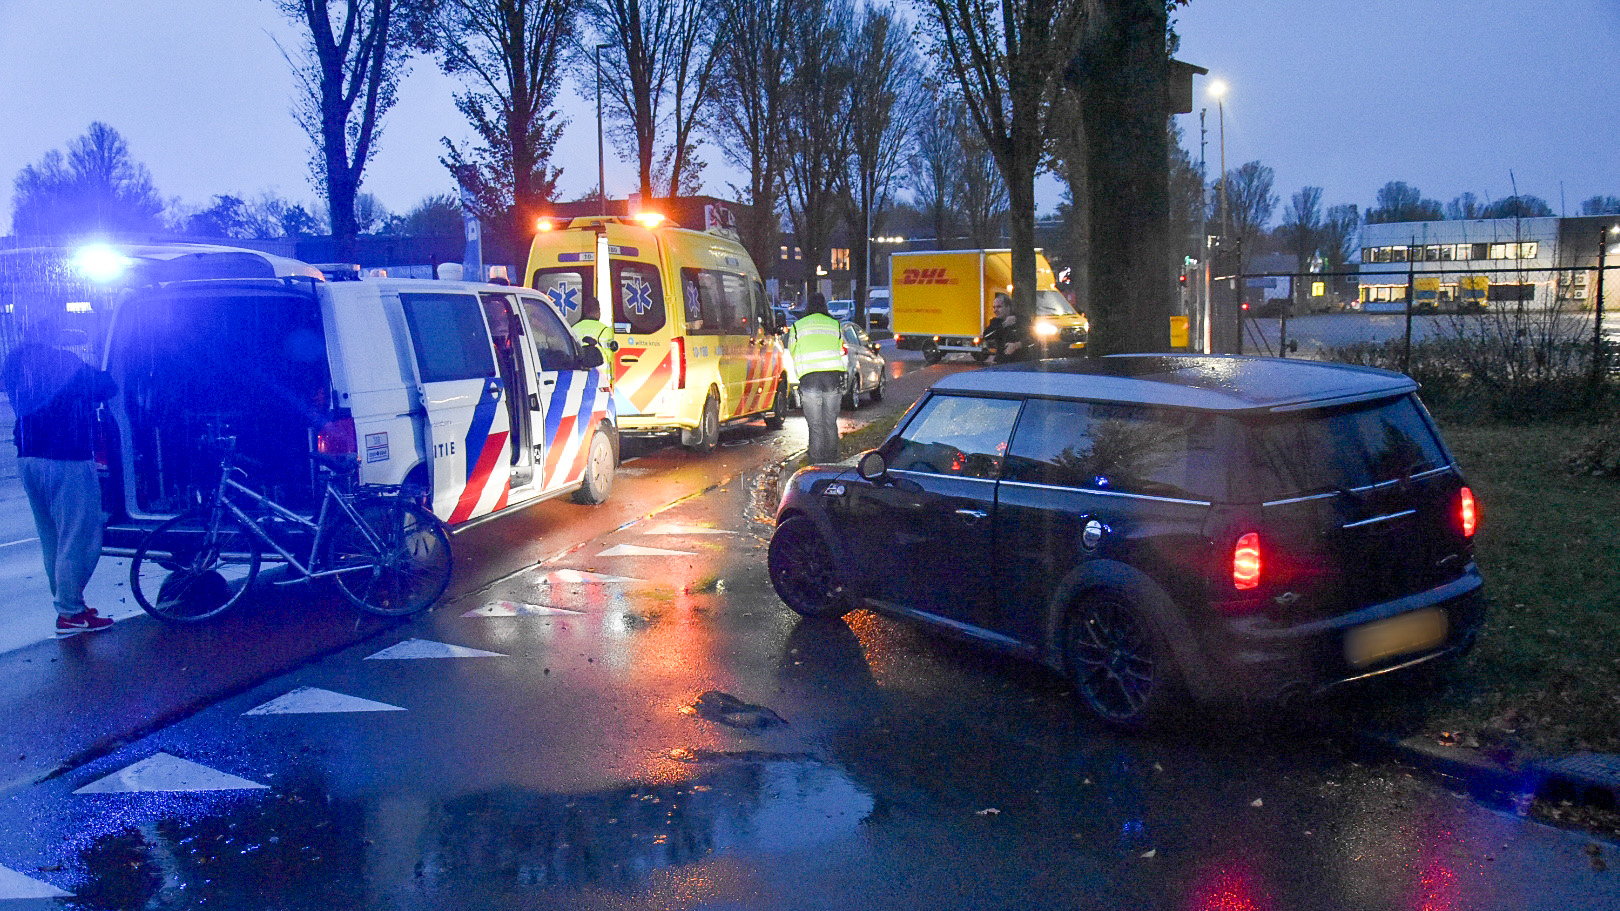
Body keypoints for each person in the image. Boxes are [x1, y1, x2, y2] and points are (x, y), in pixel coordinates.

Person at [2, 309, 118, 635]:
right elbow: (106, 386)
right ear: (52, 334)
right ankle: (69, 612)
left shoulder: (13, 360)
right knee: (81, 533)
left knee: (50, 537)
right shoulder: (63, 361)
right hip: (66, 457)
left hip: (27, 456)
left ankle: (72, 607)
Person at [786, 293, 848, 464]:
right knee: (830, 422)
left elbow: (792, 350)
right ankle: (833, 462)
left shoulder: (798, 327)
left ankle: (816, 464)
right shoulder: (835, 325)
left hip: (809, 378)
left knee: (815, 426)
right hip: (833, 378)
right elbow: (841, 350)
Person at [981, 292, 1035, 363]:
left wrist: (1017, 345)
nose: (995, 310)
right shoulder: (996, 322)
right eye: (994, 307)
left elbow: (1034, 339)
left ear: (1008, 307)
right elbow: (987, 336)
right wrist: (1004, 324)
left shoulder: (1021, 320)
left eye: (999, 307)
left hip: (1021, 362)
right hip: (1002, 361)